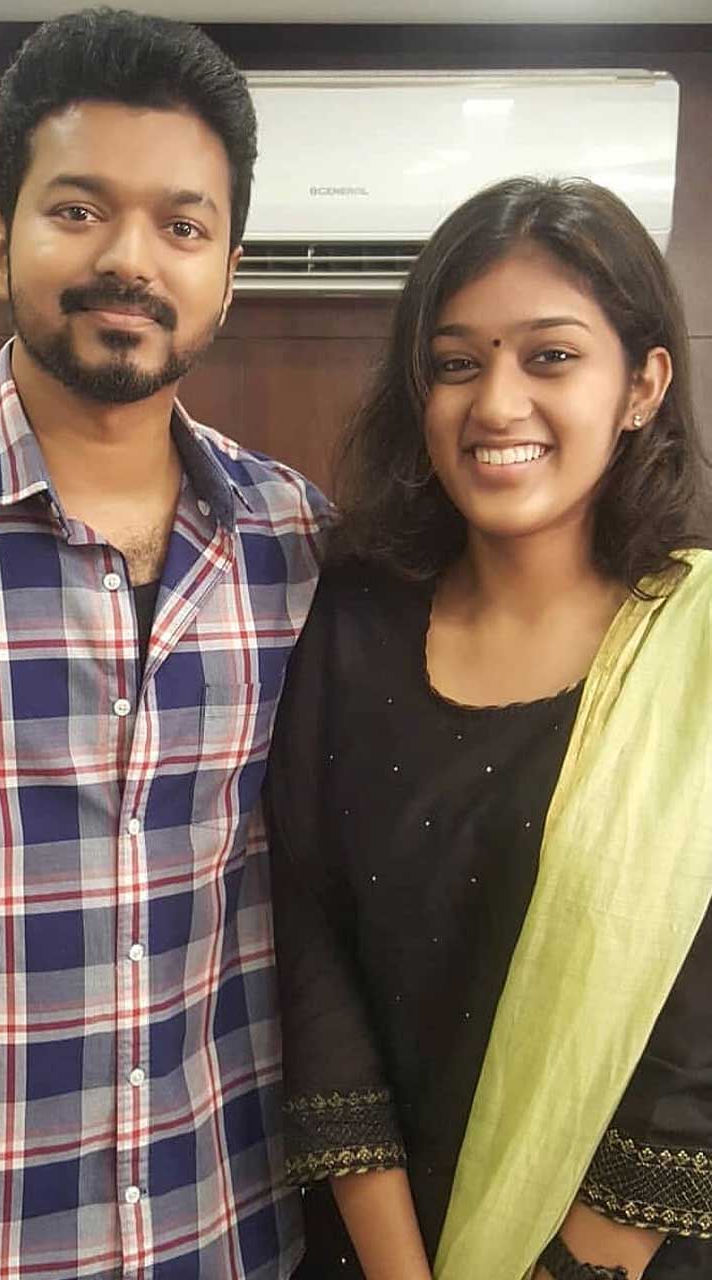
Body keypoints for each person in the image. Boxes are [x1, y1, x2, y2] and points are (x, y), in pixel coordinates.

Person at [0, 9, 328, 1279]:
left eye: (183, 226)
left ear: (227, 270)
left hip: (222, 1239)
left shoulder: (297, 543)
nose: (131, 259)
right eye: (78, 210)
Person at [267, 177, 712, 1280]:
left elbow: (692, 1042)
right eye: (457, 363)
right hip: (372, 1240)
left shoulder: (695, 646)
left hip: (632, 1247)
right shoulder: (353, 615)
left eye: (550, 357)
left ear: (642, 384)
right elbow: (312, 936)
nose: (497, 403)